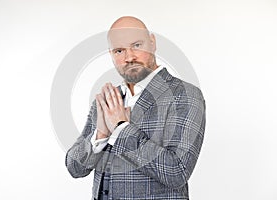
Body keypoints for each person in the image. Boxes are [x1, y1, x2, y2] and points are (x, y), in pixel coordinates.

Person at [65, 16, 206, 200]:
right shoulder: (108, 99)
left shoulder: (184, 95)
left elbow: (176, 171)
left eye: (137, 45)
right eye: (119, 50)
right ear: (111, 54)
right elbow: (75, 168)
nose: (129, 57)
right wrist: (100, 135)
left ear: (152, 43)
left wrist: (121, 128)